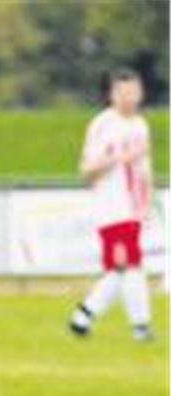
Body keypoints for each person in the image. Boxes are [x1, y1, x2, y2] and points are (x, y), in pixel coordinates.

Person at [68, 68, 156, 343]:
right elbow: (87, 170)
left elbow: (144, 169)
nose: (130, 97)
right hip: (112, 207)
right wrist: (120, 158)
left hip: (134, 207)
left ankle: (83, 317)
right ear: (112, 94)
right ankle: (140, 327)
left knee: (120, 268)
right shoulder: (103, 125)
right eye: (124, 91)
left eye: (134, 91)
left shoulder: (140, 125)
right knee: (130, 265)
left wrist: (148, 200)